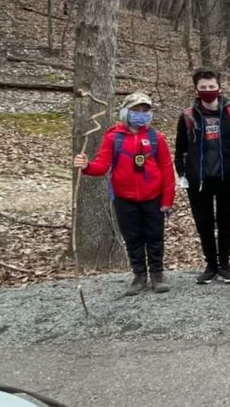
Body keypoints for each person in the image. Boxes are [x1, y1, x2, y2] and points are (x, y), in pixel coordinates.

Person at [73, 92, 176, 296]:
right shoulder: (113, 137)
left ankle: (157, 274)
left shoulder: (156, 138)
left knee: (155, 237)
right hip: (124, 199)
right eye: (136, 111)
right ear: (125, 112)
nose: (141, 115)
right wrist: (86, 166)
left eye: (145, 111)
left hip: (153, 198)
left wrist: (167, 199)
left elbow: (166, 168)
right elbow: (102, 166)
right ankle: (139, 276)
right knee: (133, 238)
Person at [175, 68, 230, 285]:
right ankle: (210, 265)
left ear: (219, 88)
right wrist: (182, 175)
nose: (208, 91)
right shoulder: (187, 116)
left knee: (225, 223)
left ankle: (225, 264)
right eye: (203, 87)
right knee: (204, 224)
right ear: (196, 90)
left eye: (211, 87)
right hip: (198, 181)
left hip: (227, 178)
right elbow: (180, 148)